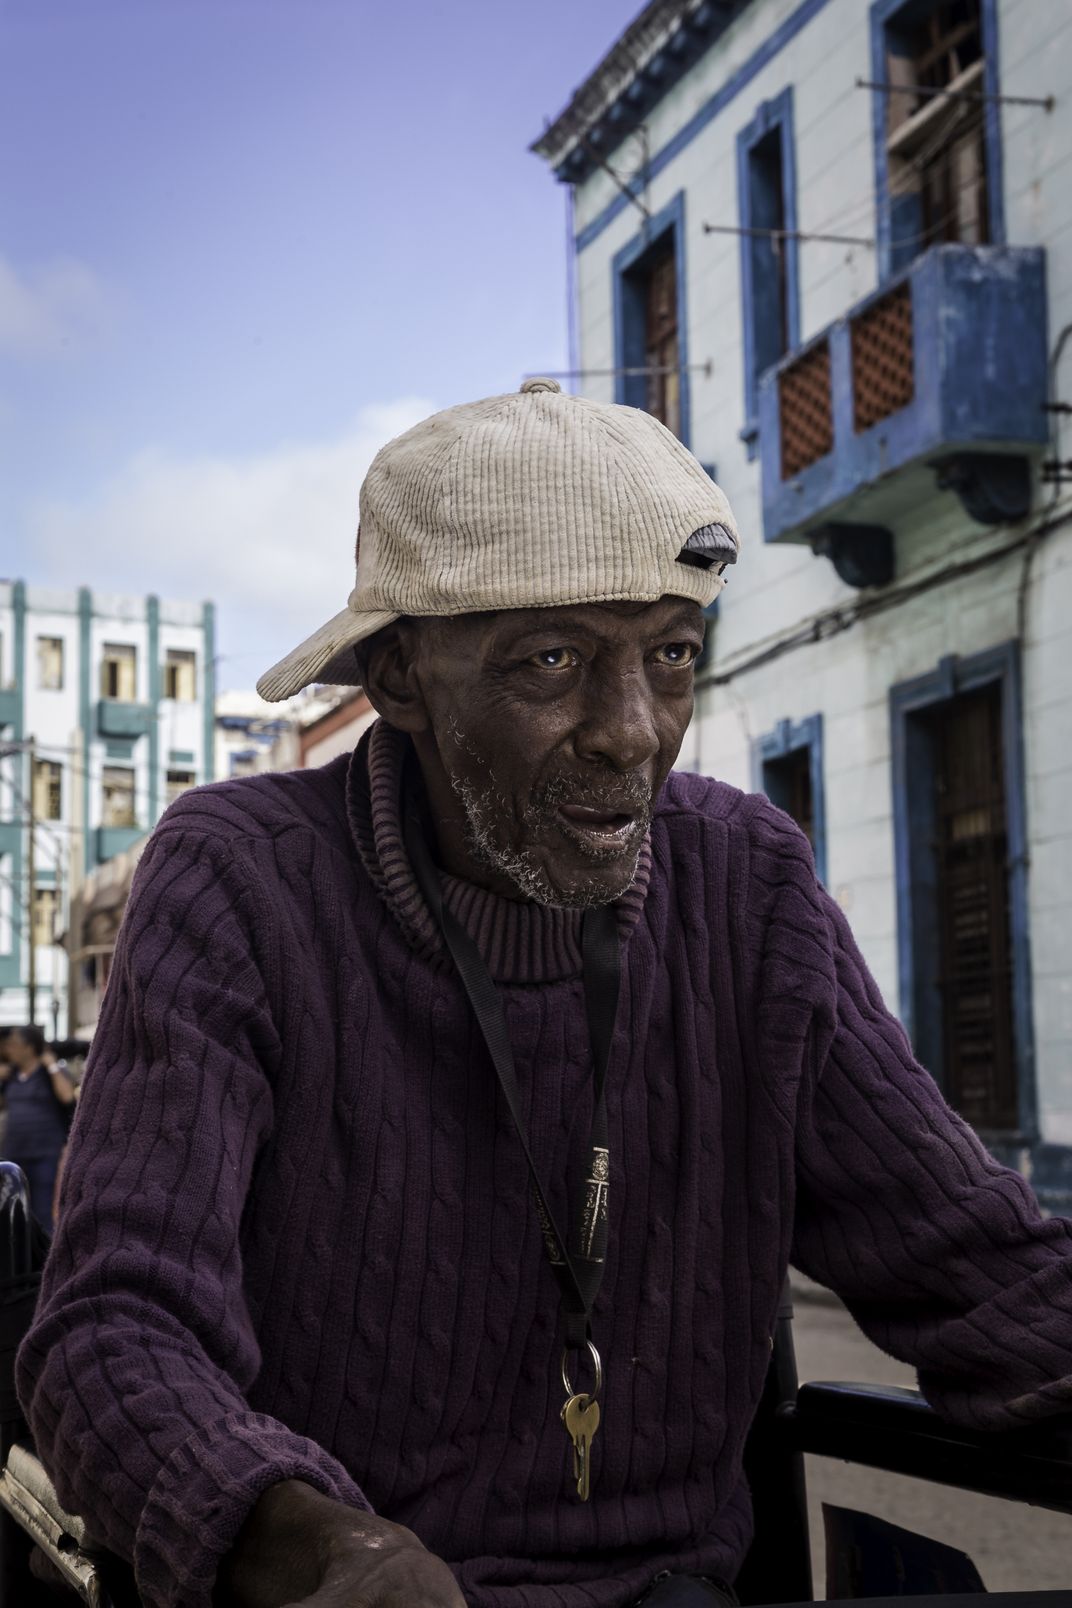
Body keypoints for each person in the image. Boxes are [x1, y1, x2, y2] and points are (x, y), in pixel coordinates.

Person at [16, 380, 1072, 1608]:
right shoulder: (242, 879)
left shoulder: (748, 887)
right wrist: (303, 1541)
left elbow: (985, 1276)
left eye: (670, 655)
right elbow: (113, 1334)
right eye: (555, 660)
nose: (631, 731)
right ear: (401, 676)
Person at [0, 1026, 75, 1234]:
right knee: (10, 1211)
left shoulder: (48, 1074)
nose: (8, 1049)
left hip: (44, 1154)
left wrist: (51, 1065)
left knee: (41, 1211)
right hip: (13, 1154)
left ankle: (43, 1262)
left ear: (29, 1048)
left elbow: (68, 1096)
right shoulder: (10, 1075)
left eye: (14, 1045)